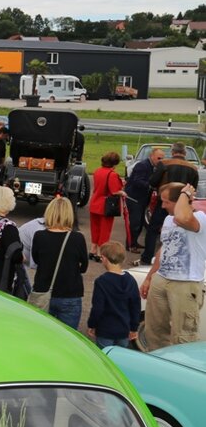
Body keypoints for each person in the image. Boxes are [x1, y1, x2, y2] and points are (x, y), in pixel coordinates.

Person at [140, 182, 206, 350]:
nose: (162, 206)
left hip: (185, 284)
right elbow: (164, 249)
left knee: (184, 336)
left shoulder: (199, 218)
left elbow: (183, 218)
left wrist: (185, 194)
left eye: (166, 202)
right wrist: (149, 278)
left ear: (180, 201)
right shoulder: (169, 219)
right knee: (154, 331)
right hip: (161, 279)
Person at [31, 196, 90, 329]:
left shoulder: (39, 236)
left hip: (43, 292)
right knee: (67, 337)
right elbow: (84, 267)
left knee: (42, 333)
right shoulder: (77, 238)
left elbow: (36, 260)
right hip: (69, 294)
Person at [141, 143, 199, 265]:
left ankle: (147, 258)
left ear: (172, 152)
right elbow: (193, 187)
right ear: (185, 153)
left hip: (165, 201)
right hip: (183, 203)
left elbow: (153, 181)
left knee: (153, 229)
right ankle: (176, 258)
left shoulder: (164, 164)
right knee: (180, 230)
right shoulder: (193, 168)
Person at [87, 241, 141, 349]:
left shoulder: (102, 281)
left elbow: (98, 307)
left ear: (104, 258)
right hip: (124, 328)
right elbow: (135, 306)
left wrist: (92, 324)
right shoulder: (130, 280)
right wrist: (134, 327)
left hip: (105, 329)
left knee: (105, 357)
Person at [125, 147, 163, 252]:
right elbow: (137, 181)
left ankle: (134, 242)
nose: (160, 161)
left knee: (140, 222)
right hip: (134, 198)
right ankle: (130, 245)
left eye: (162, 159)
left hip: (141, 199)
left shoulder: (152, 167)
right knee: (135, 223)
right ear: (151, 156)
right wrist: (151, 186)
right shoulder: (142, 165)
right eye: (158, 158)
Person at [89, 151, 126, 259]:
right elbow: (115, 191)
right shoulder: (112, 174)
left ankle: (93, 249)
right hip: (106, 205)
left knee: (95, 228)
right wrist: (122, 192)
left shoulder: (97, 171)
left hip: (95, 202)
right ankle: (100, 253)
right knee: (105, 230)